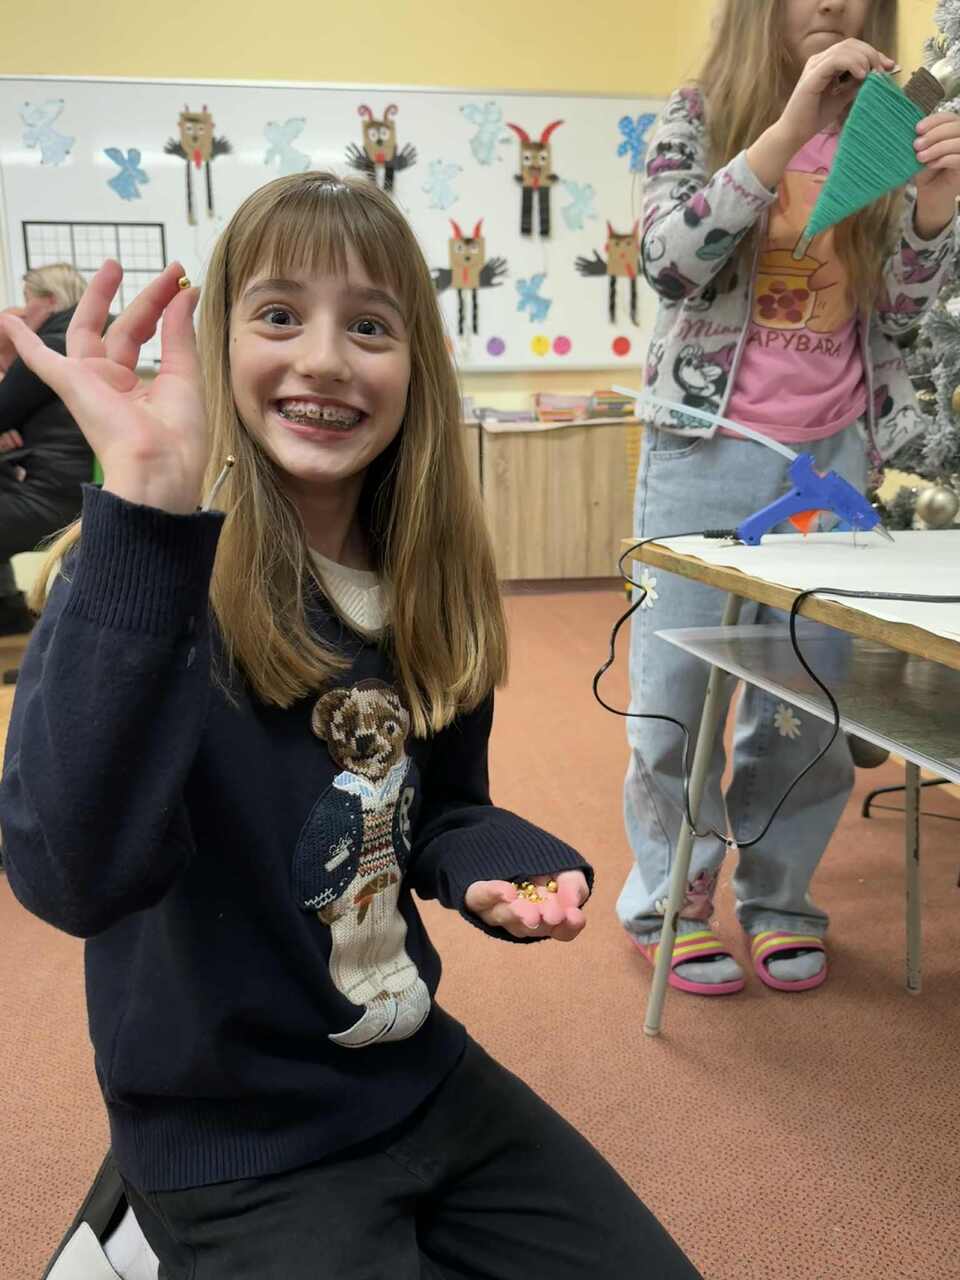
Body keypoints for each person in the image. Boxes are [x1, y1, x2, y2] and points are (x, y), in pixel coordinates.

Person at [0, 173, 700, 1279]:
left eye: (369, 326)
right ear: (219, 344)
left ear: (416, 365)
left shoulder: (423, 586)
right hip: (227, 1135)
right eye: (280, 315)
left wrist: (491, 855)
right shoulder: (141, 580)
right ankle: (128, 1236)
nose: (326, 359)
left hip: (412, 1075)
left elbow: (442, 805)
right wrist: (141, 509)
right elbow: (72, 878)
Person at [620, 0, 960, 996]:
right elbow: (668, 263)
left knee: (805, 709)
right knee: (674, 700)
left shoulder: (889, 121)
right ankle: (669, 901)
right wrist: (788, 127)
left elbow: (902, 311)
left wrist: (935, 206)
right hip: (702, 449)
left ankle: (780, 899)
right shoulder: (699, 111)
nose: (833, 3)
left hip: (836, 456)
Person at [0, 263, 91, 636]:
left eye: (28, 301)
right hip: (82, 491)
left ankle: (8, 611)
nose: (25, 313)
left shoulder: (49, 345)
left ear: (50, 301)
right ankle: (8, 611)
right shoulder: (87, 338)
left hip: (52, 496)